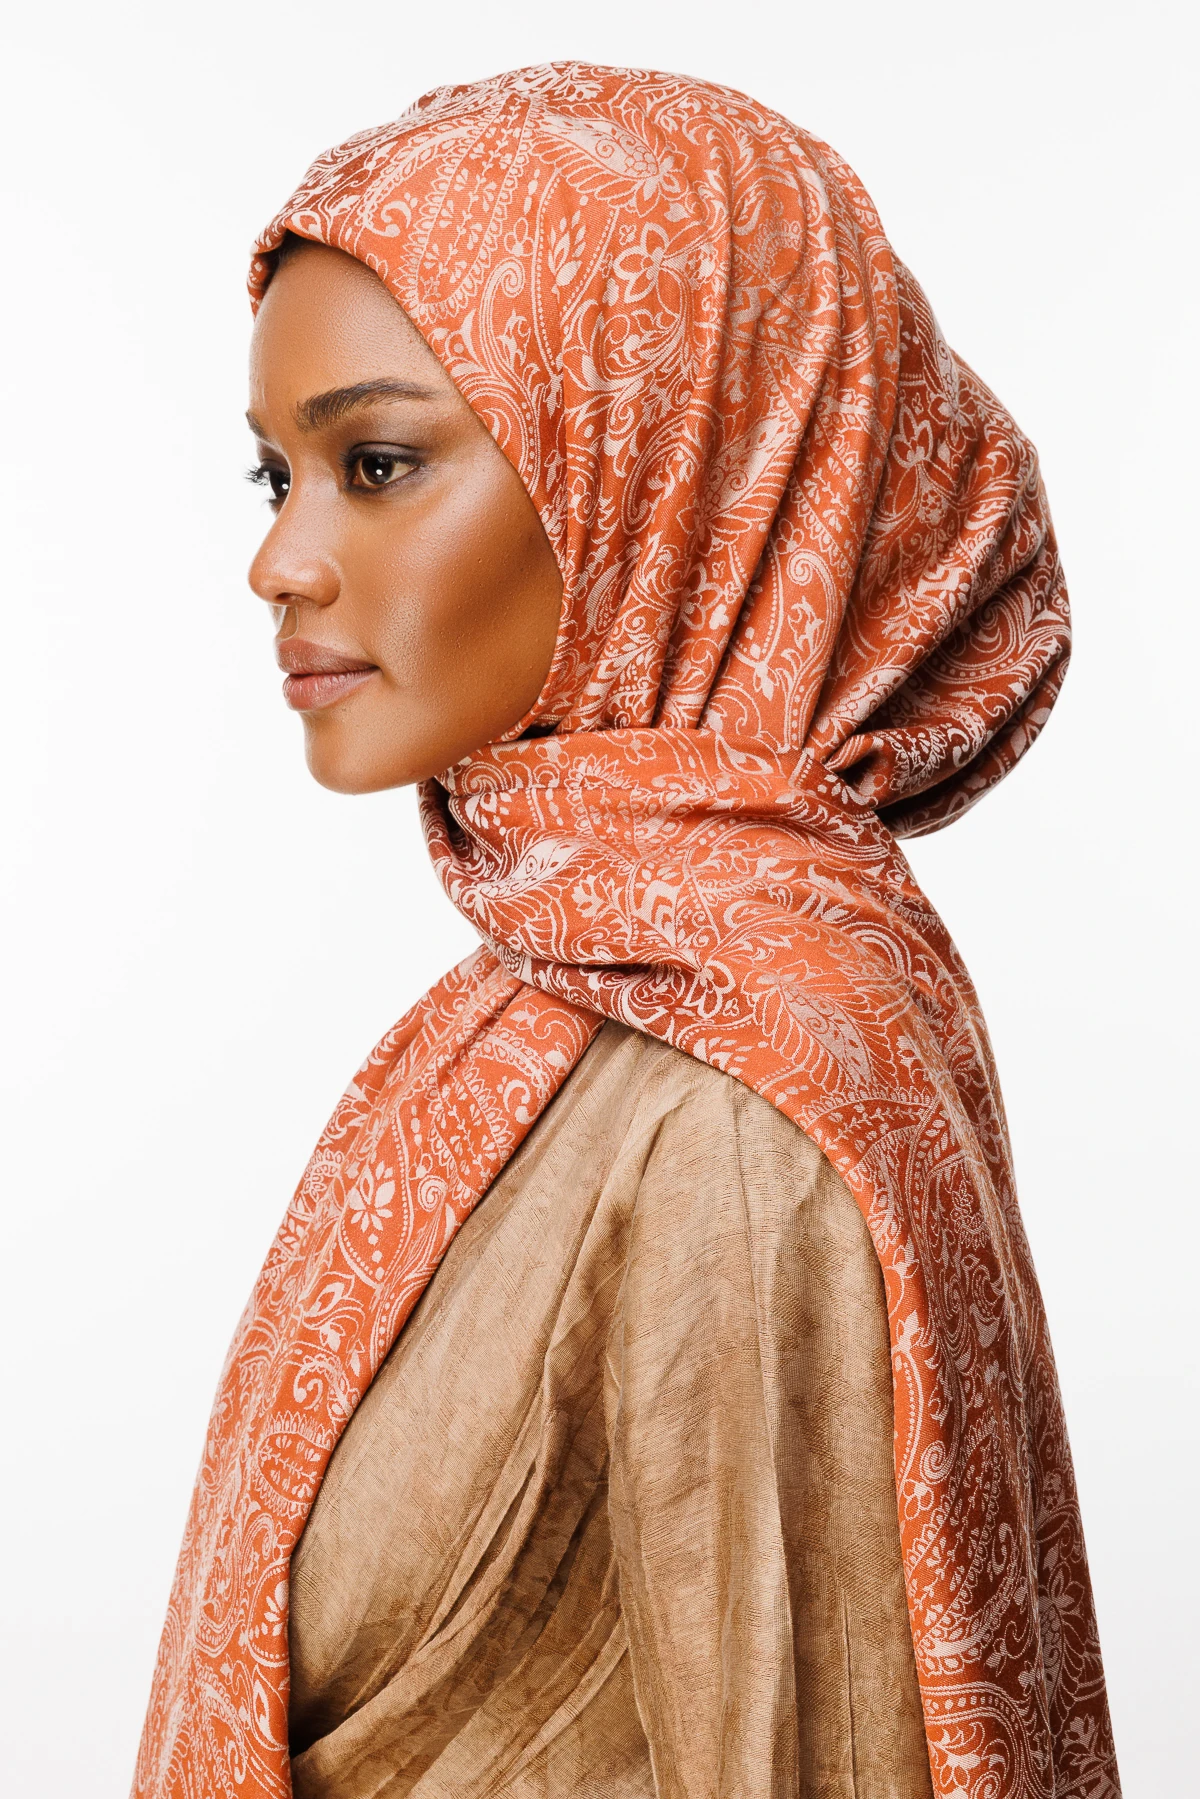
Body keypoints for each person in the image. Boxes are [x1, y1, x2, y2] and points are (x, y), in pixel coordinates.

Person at [133, 63, 1120, 1799]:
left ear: (669, 472)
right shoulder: (564, 1002)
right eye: (276, 475)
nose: (281, 561)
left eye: (377, 462)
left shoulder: (733, 1115)